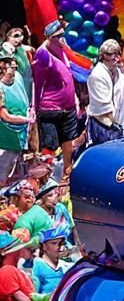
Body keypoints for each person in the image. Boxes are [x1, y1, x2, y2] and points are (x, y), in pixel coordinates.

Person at [31, 21, 77, 177]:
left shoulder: (62, 50)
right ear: (49, 38)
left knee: (68, 141)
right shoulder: (42, 54)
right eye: (57, 37)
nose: (61, 39)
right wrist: (36, 107)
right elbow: (38, 83)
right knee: (49, 146)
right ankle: (45, 179)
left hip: (68, 106)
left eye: (62, 35)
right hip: (50, 108)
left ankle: (66, 175)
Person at [85, 39, 124, 145]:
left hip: (120, 127)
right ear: (103, 56)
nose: (116, 58)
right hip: (103, 127)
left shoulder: (119, 72)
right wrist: (118, 129)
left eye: (118, 54)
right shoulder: (97, 75)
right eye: (111, 54)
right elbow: (104, 111)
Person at [0, 50, 32, 184]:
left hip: (24, 128)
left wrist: (30, 110)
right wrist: (26, 119)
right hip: (8, 133)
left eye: (14, 65)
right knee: (5, 165)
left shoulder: (18, 76)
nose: (14, 67)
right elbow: (5, 116)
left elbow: (25, 94)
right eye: (10, 65)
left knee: (21, 161)